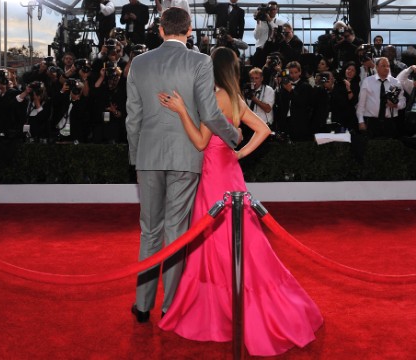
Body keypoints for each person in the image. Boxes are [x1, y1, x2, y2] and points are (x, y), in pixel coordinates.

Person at [157, 46, 323, 357]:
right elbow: (264, 129)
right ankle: (236, 307)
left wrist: (180, 109)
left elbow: (200, 140)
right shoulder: (234, 98)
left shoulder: (215, 97)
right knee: (239, 243)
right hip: (230, 174)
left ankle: (218, 313)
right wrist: (239, 154)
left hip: (213, 179)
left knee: (215, 242)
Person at [125, 7, 240, 323]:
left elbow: (132, 117)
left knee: (150, 232)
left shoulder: (139, 63)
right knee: (176, 232)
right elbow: (211, 114)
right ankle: (170, 307)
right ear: (190, 31)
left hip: (148, 156)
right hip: (186, 155)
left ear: (159, 30)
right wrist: (234, 135)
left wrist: (137, 157)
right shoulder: (200, 61)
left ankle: (143, 307)